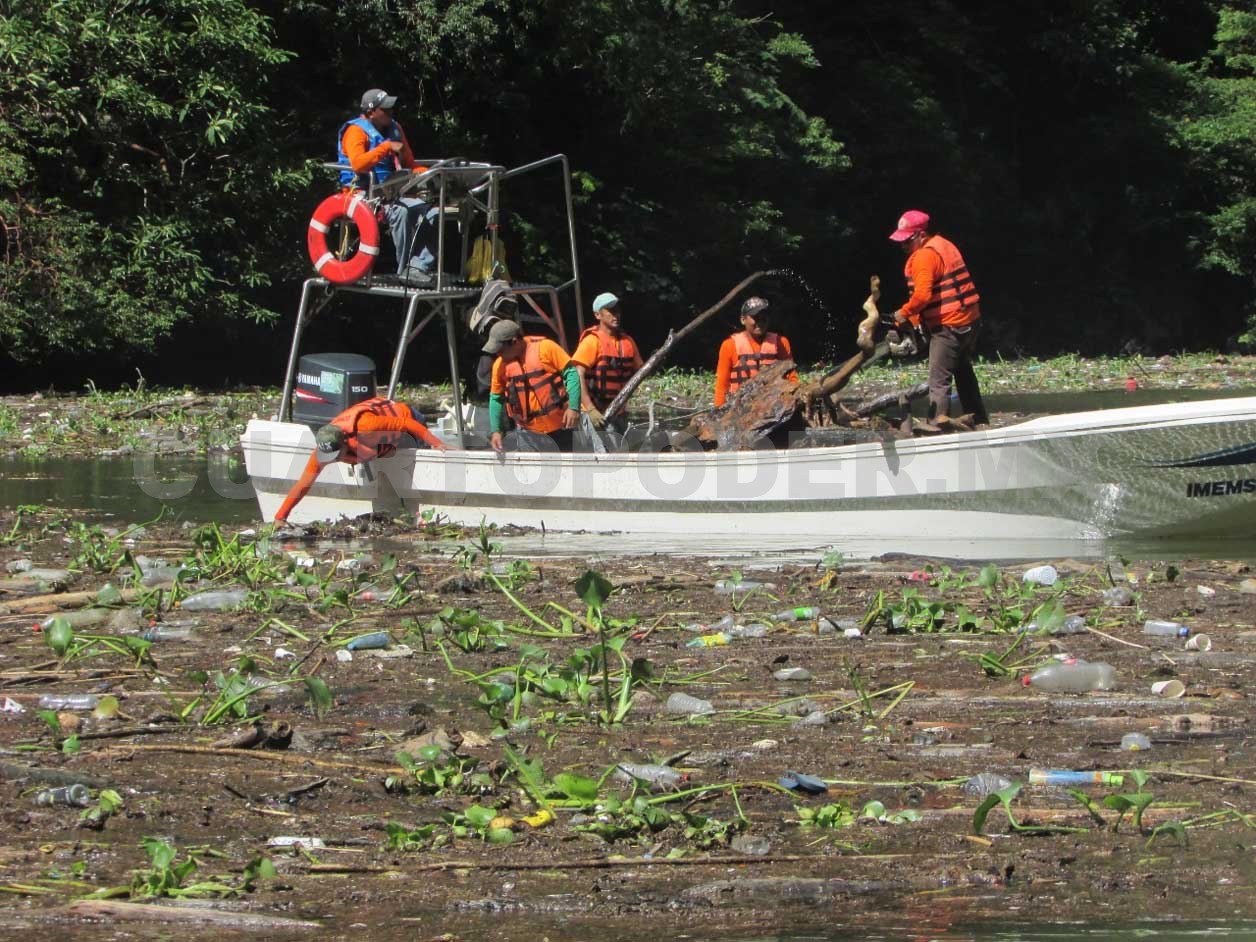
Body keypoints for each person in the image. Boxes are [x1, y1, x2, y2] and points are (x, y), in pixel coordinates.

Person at [888, 209, 989, 426]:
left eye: (907, 241)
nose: (903, 246)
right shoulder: (943, 245)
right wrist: (914, 322)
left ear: (921, 235)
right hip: (970, 321)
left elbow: (922, 296)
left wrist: (902, 314)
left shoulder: (924, 256)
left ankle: (937, 424)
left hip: (949, 325)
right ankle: (978, 419)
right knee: (962, 370)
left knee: (939, 380)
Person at [274, 397, 448, 523]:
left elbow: (407, 424)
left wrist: (437, 443)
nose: (336, 460)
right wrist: (280, 516)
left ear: (345, 441)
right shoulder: (323, 450)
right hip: (382, 443)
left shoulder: (366, 426)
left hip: (409, 421)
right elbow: (302, 485)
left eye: (337, 455)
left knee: (416, 464)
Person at [337, 88, 438, 285]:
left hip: (393, 192)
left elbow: (410, 163)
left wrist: (430, 173)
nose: (391, 112)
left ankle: (418, 266)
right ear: (371, 111)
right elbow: (357, 163)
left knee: (433, 212)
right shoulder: (356, 131)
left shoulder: (395, 128)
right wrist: (385, 148)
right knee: (401, 212)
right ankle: (404, 270)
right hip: (362, 193)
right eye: (386, 109)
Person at [483, 320, 581, 452]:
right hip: (527, 434)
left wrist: (574, 407)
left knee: (568, 471)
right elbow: (495, 398)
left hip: (561, 428)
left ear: (514, 341)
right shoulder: (499, 366)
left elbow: (571, 373)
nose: (498, 354)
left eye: (500, 350)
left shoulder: (546, 347)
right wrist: (496, 430)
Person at [571, 292, 644, 428]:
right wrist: (590, 409)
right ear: (598, 315)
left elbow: (640, 371)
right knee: (600, 449)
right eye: (610, 310)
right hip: (593, 413)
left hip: (619, 411)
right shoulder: (592, 341)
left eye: (617, 310)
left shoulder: (628, 341)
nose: (616, 314)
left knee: (620, 449)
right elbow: (576, 375)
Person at [713, 296, 797, 407]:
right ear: (743, 320)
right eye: (755, 317)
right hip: (740, 406)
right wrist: (719, 411)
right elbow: (722, 385)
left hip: (772, 405)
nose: (760, 321)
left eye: (764, 317)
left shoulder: (781, 342)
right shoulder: (729, 345)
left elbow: (792, 378)